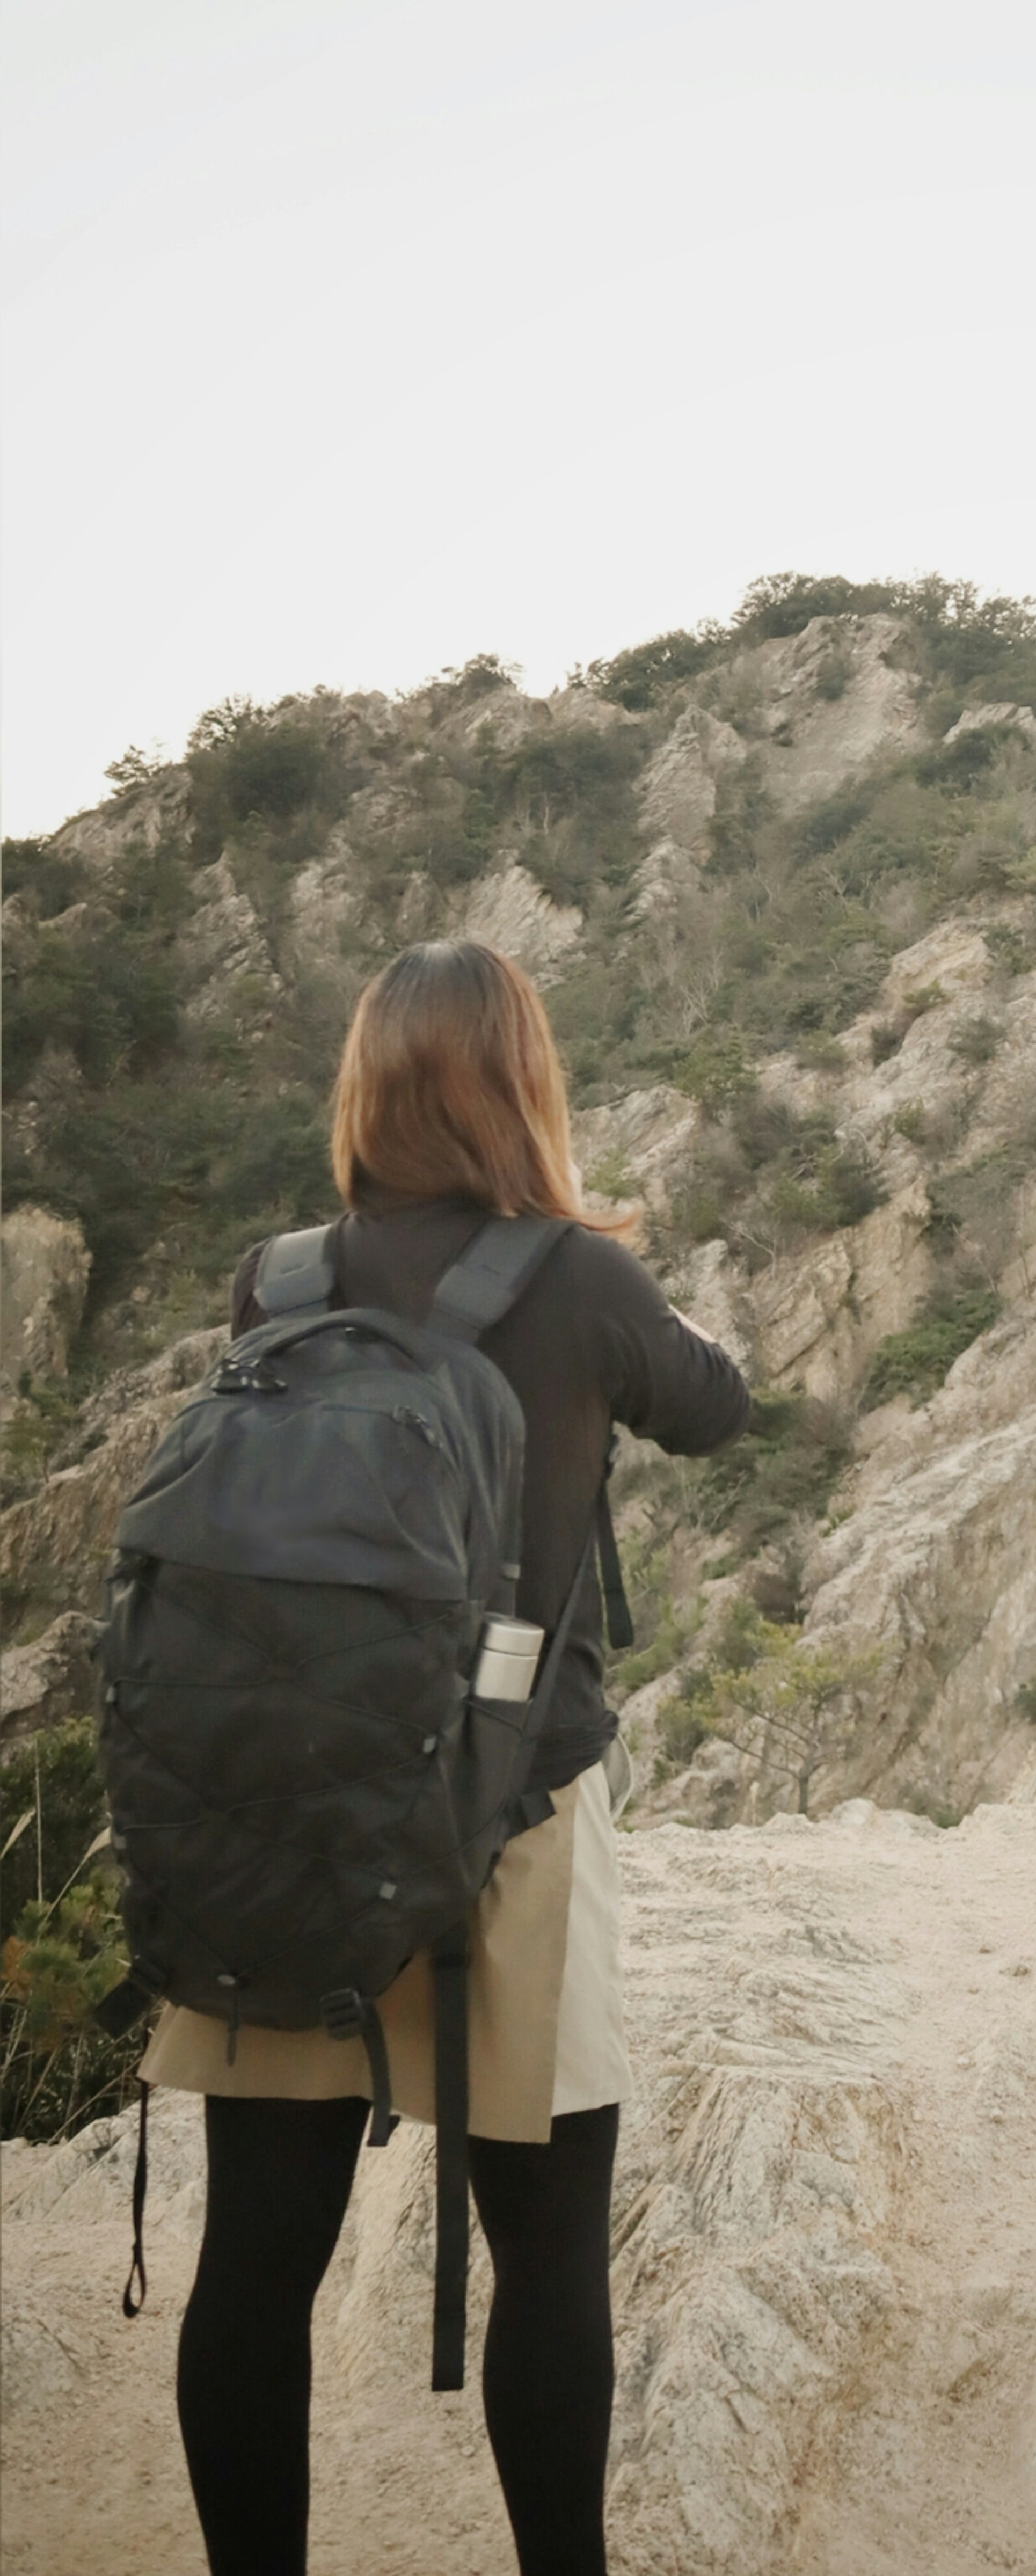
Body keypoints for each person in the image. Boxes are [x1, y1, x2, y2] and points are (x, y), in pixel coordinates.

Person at [137, 939, 752, 2576]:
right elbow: (716, 1406)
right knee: (549, 2267)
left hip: (277, 1827)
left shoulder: (271, 1288)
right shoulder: (580, 1280)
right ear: (520, 1085)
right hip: (513, 1824)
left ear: (368, 1088)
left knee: (254, 2265)